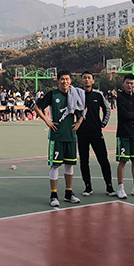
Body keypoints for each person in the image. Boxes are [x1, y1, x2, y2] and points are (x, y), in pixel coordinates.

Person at [34, 70, 84, 207]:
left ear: (70, 81)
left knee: (69, 165)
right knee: (55, 165)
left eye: (67, 79)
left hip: (70, 135)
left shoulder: (75, 95)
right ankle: (53, 195)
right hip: (56, 136)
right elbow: (37, 107)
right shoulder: (52, 94)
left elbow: (83, 110)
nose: (65, 81)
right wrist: (47, 121)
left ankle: (68, 193)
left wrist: (79, 123)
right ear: (58, 80)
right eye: (62, 79)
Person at [76, 71, 116, 197]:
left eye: (89, 78)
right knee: (84, 161)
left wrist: (103, 123)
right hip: (81, 132)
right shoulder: (77, 95)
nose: (87, 80)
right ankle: (88, 187)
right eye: (84, 78)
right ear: (81, 81)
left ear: (93, 81)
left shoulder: (98, 95)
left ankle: (109, 186)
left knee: (103, 159)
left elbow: (107, 109)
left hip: (96, 132)